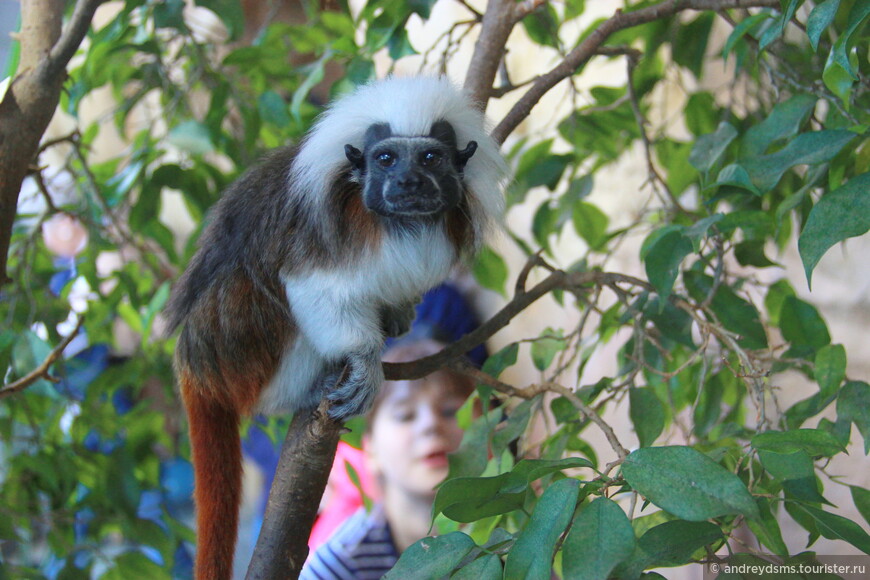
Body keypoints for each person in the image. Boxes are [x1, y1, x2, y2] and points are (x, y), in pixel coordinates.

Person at [300, 338, 475, 579]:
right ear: (370, 450)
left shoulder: (517, 531)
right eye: (405, 415)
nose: (431, 425)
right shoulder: (340, 567)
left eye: (450, 411)